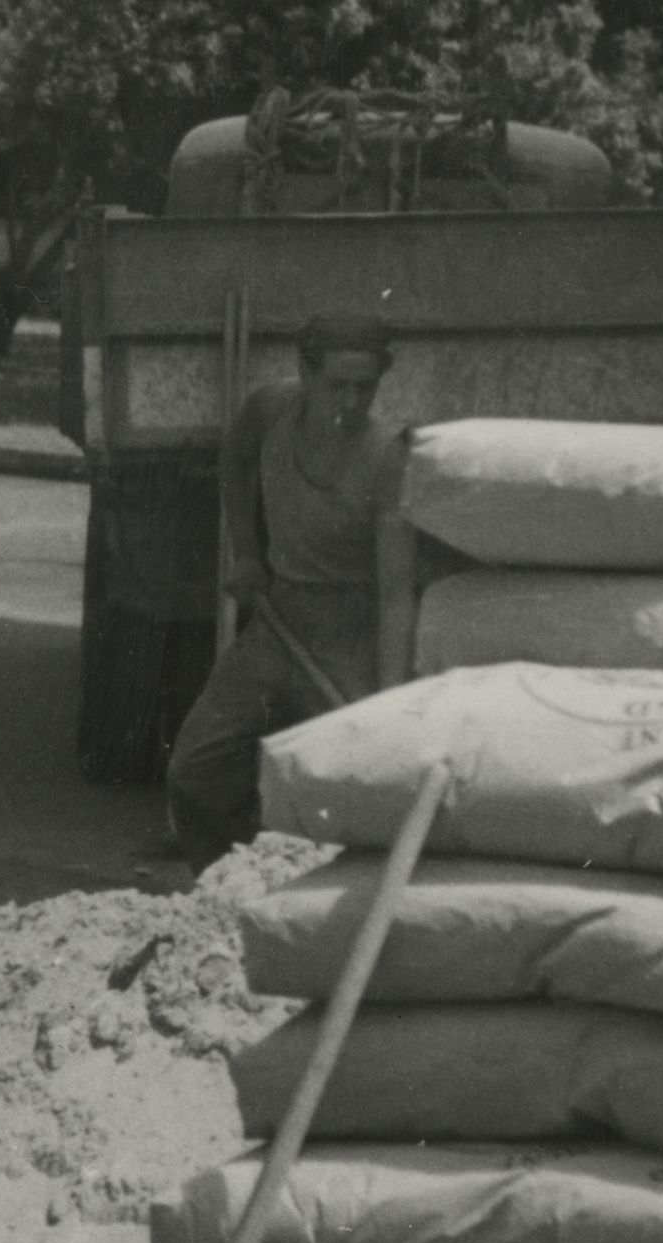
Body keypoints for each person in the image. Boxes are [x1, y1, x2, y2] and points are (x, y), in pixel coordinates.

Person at [164, 313, 411, 872]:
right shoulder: (271, 409)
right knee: (194, 772)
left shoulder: (386, 458)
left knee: (350, 788)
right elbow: (235, 459)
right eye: (336, 385)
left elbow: (397, 593)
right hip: (276, 621)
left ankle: (308, 896)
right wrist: (247, 551)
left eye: (364, 387)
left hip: (349, 631)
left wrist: (391, 704)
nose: (350, 401)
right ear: (304, 372)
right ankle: (227, 881)